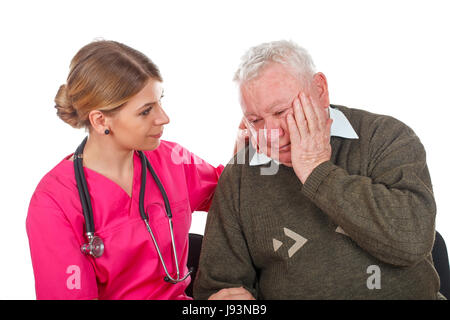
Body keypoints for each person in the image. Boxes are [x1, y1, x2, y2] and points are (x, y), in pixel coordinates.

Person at [194, 40, 444, 299]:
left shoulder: (387, 136)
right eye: (255, 120)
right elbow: (217, 287)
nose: (271, 135)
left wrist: (316, 169)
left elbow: (411, 242)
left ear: (320, 89)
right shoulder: (240, 175)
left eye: (281, 112)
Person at [26, 40, 226, 300]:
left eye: (159, 102)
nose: (164, 118)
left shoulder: (171, 159)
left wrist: (255, 147)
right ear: (100, 121)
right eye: (146, 111)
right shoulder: (54, 202)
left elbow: (234, 195)